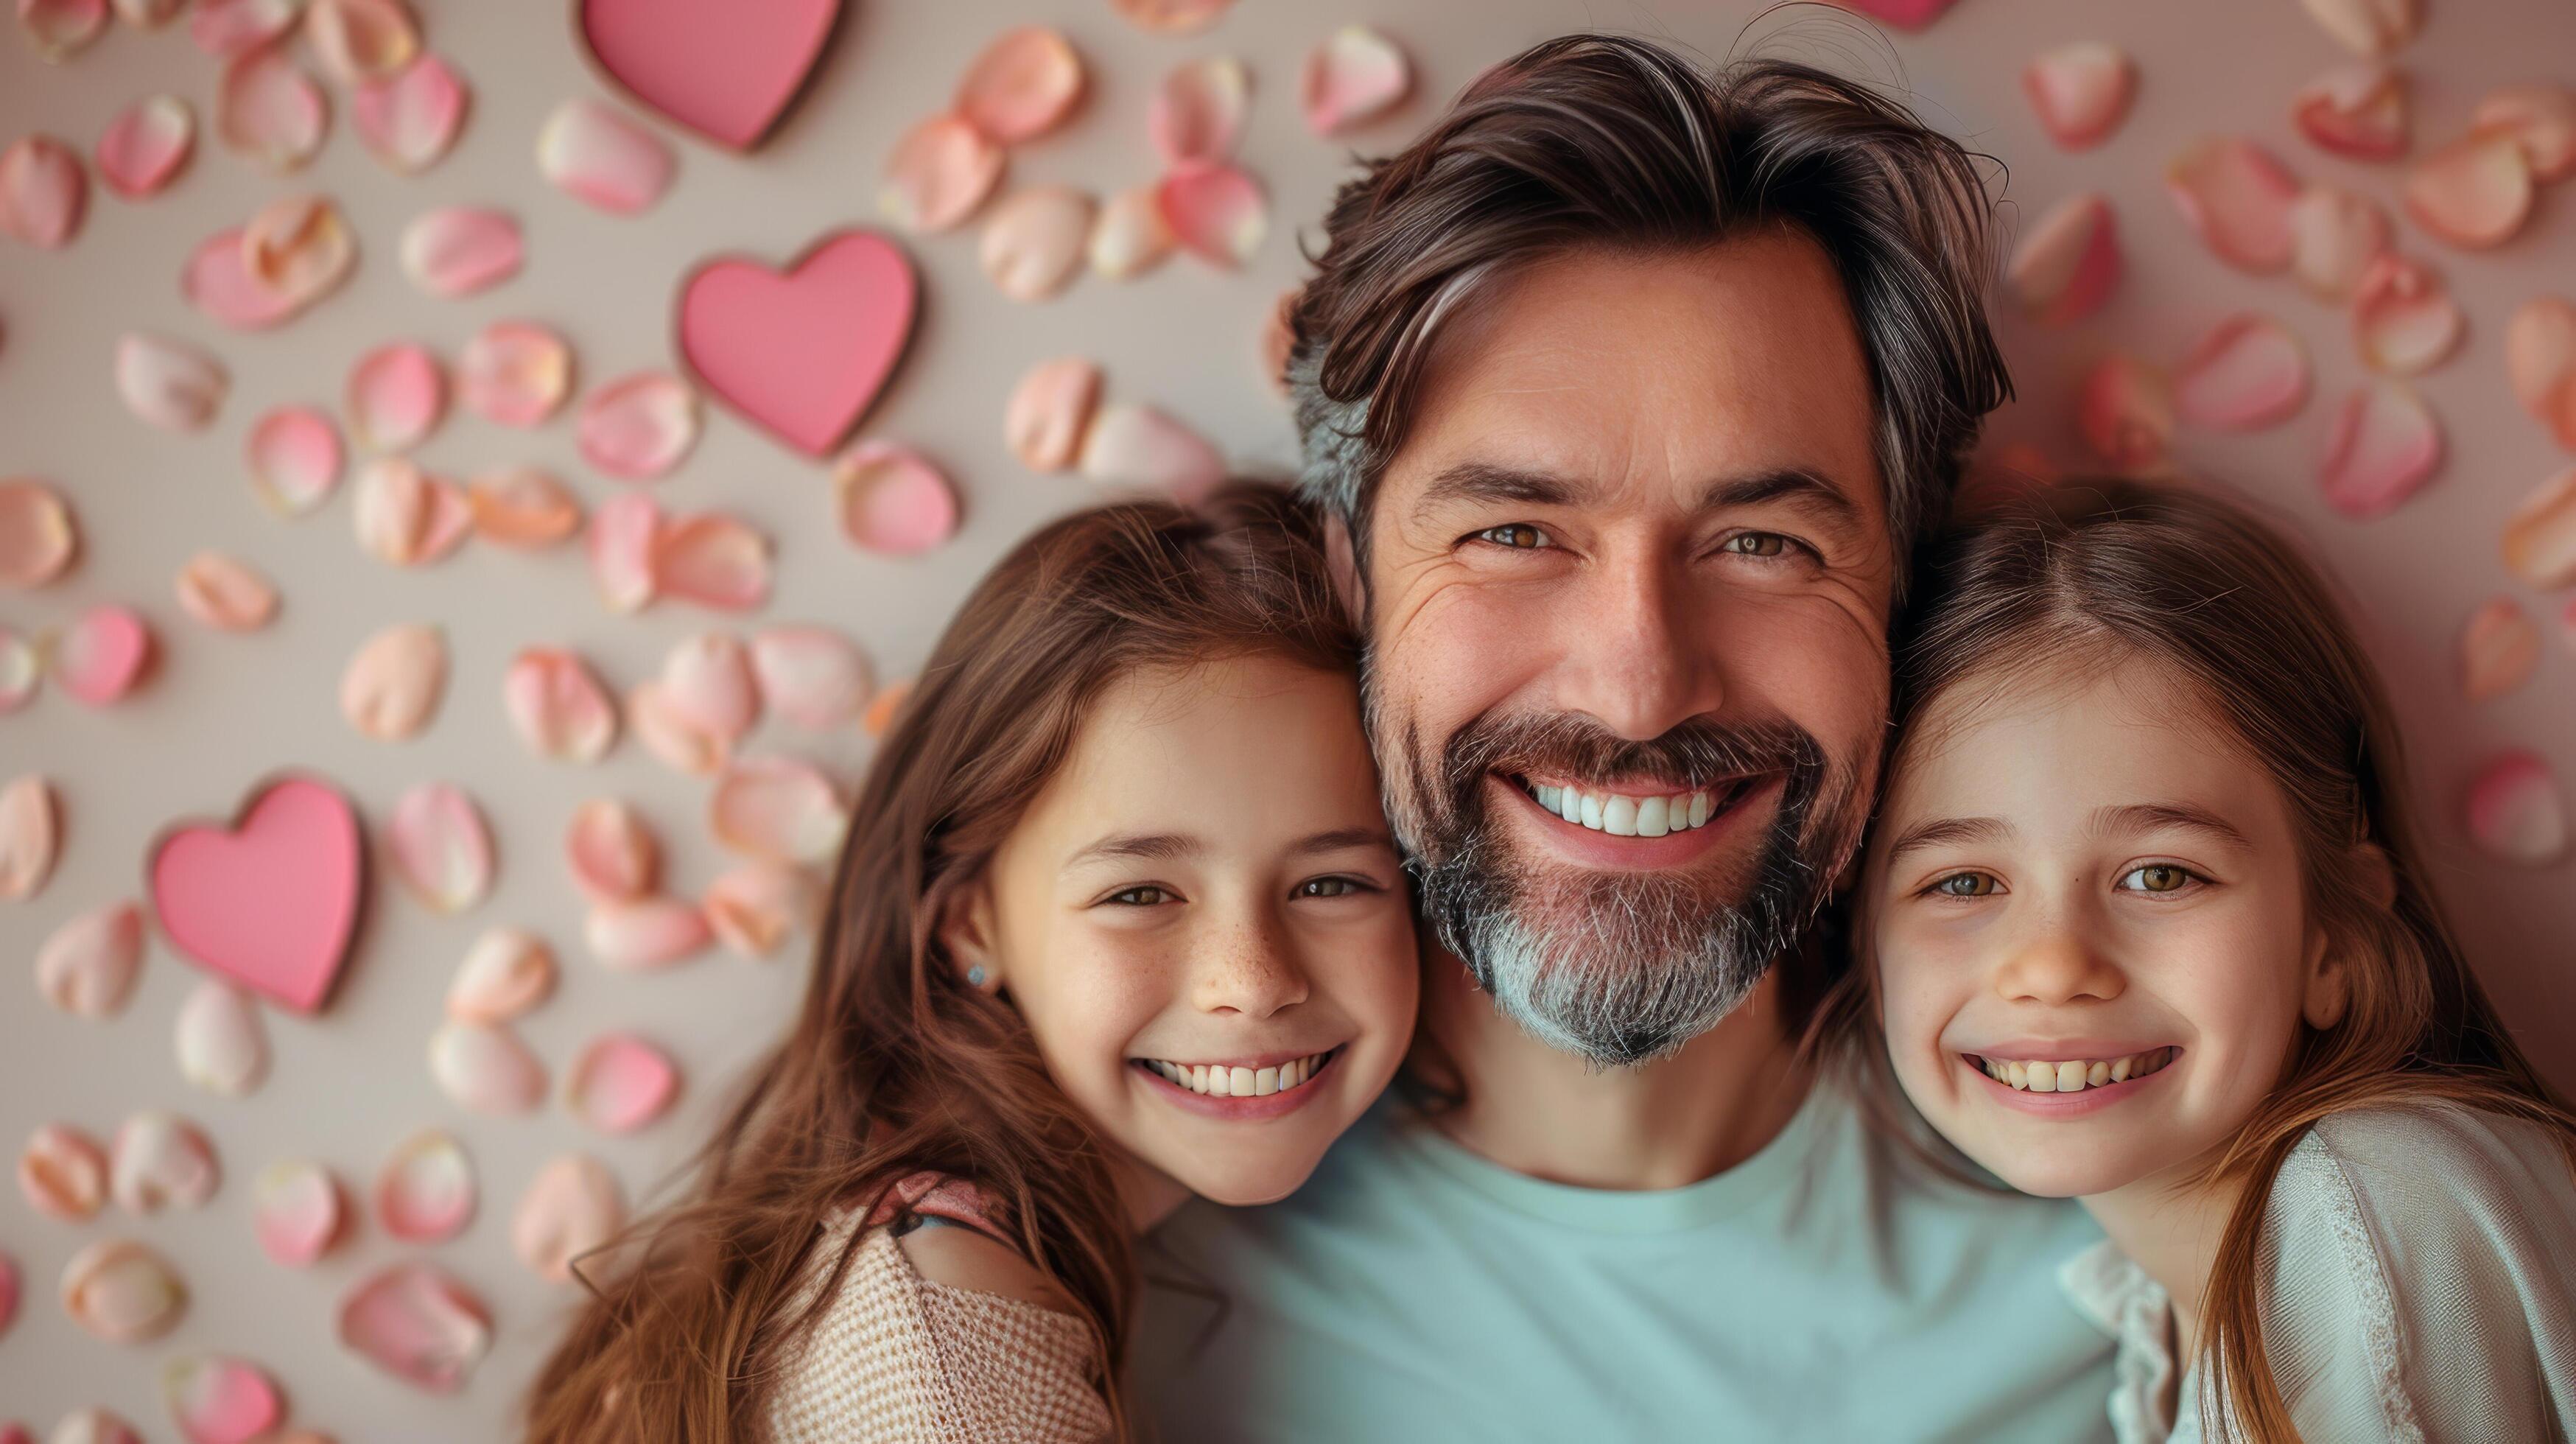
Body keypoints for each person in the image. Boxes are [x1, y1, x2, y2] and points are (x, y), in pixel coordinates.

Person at [1135, 35, 2118, 1440]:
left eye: (1763, 543)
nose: (1639, 690)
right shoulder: (1081, 1300)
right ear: (1350, 574)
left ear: (1899, 586)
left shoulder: (2132, 1276)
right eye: (1515, 533)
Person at [522, 483, 1419, 1442]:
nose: (1251, 980)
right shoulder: (945, 1358)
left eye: (1331, 884)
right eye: (1139, 896)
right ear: (969, 927)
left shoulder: (928, 1251)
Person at [1853, 479, 2576, 1442]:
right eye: (1963, 883)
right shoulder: (2146, 1307)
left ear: (2334, 933)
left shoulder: (2362, 1211)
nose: (2053, 964)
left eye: (2160, 876)